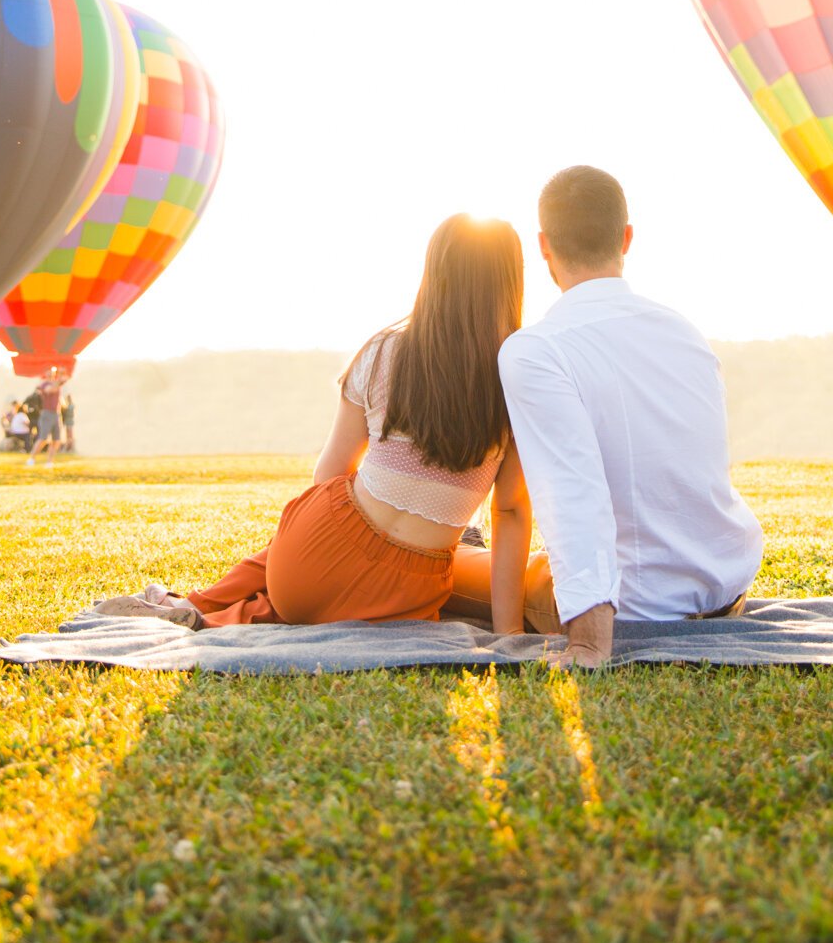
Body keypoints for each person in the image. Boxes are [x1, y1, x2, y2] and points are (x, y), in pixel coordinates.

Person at [96, 215, 549, 633]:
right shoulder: (518, 376)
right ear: (511, 280)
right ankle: (216, 614)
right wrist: (508, 635)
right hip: (408, 590)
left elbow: (328, 474)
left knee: (317, 538)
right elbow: (508, 511)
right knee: (341, 586)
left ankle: (200, 603)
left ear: (434, 273)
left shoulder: (380, 352)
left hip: (305, 564)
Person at [493, 166, 764, 671]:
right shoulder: (685, 332)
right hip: (727, 587)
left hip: (637, 610)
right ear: (626, 238)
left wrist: (590, 644)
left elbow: (573, 492)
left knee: (465, 573)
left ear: (544, 246)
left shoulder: (535, 350)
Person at [27, 375, 66, 467]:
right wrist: (59, 381)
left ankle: (49, 462)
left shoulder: (57, 383)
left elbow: (63, 381)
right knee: (43, 438)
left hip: (56, 414)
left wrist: (62, 377)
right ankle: (31, 459)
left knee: (56, 440)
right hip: (47, 414)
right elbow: (51, 390)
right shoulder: (44, 384)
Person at [61, 389, 76, 455]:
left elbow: (71, 414)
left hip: (69, 421)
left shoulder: (71, 406)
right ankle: (68, 447)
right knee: (68, 436)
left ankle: (71, 447)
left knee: (70, 435)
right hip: (67, 422)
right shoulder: (67, 406)